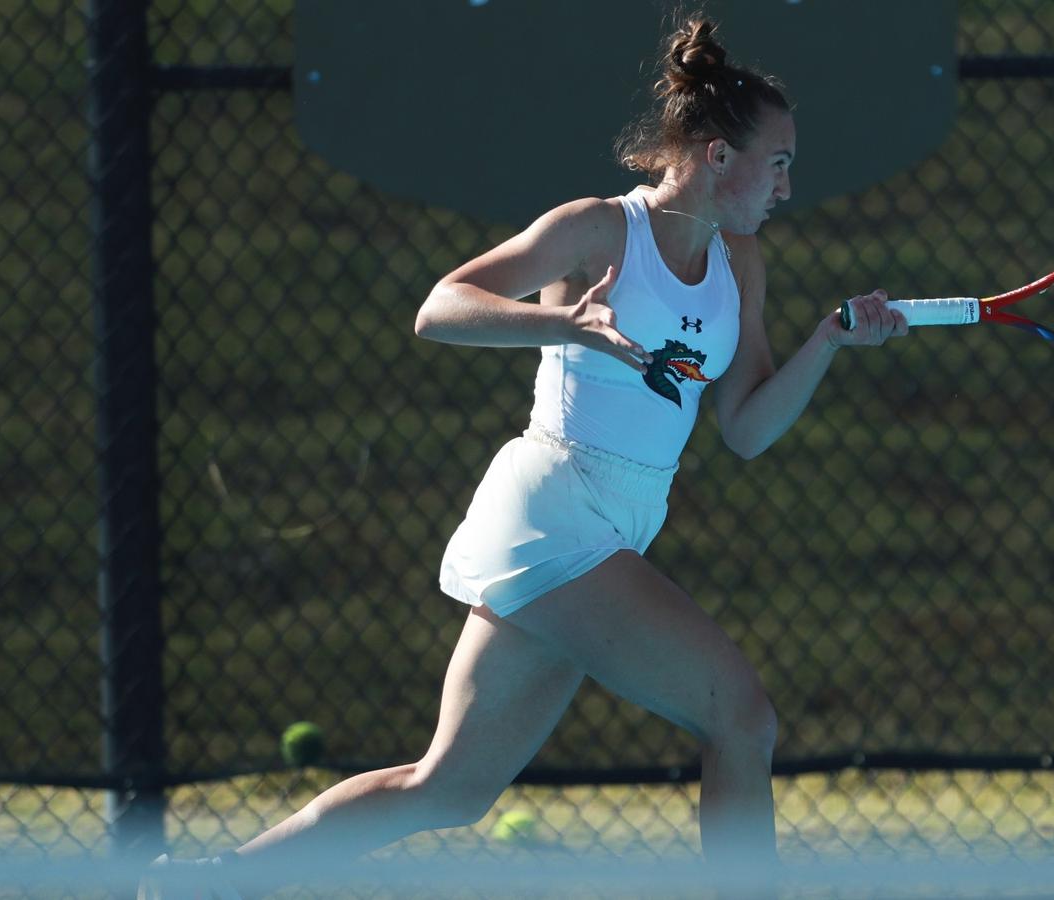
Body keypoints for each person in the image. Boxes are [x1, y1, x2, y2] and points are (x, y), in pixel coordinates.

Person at [139, 14, 906, 899]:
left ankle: (210, 882)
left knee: (448, 789)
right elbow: (440, 307)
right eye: (777, 162)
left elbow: (746, 428)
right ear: (717, 155)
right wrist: (564, 323)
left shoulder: (742, 264)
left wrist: (828, 340)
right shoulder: (597, 230)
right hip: (557, 510)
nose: (786, 186)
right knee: (741, 717)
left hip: (615, 522)